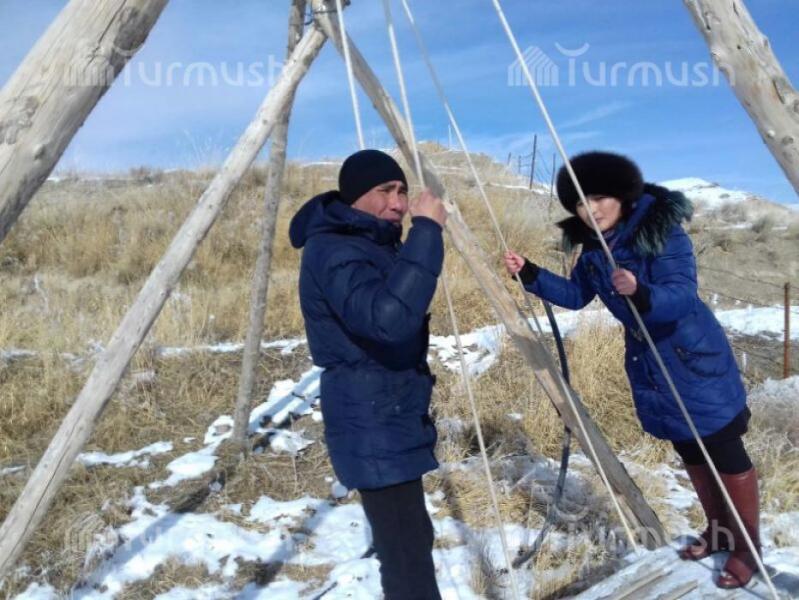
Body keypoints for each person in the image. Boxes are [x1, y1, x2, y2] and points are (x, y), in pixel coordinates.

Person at [504, 151, 760, 589]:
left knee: (722, 447)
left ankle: (747, 548)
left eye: (598, 197)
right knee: (688, 448)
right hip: (650, 363)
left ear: (622, 196)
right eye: (581, 202)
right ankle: (719, 532)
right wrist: (530, 273)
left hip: (692, 357)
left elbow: (682, 294)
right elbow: (576, 296)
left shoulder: (662, 234)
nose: (591, 210)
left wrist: (642, 292)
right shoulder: (594, 251)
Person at [289, 149, 445, 599]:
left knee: (412, 542)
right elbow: (387, 320)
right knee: (407, 561)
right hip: (372, 417)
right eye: (385, 191)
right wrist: (427, 232)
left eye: (402, 192)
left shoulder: (372, 243)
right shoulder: (334, 249)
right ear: (355, 196)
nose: (397, 203)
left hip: (389, 412)